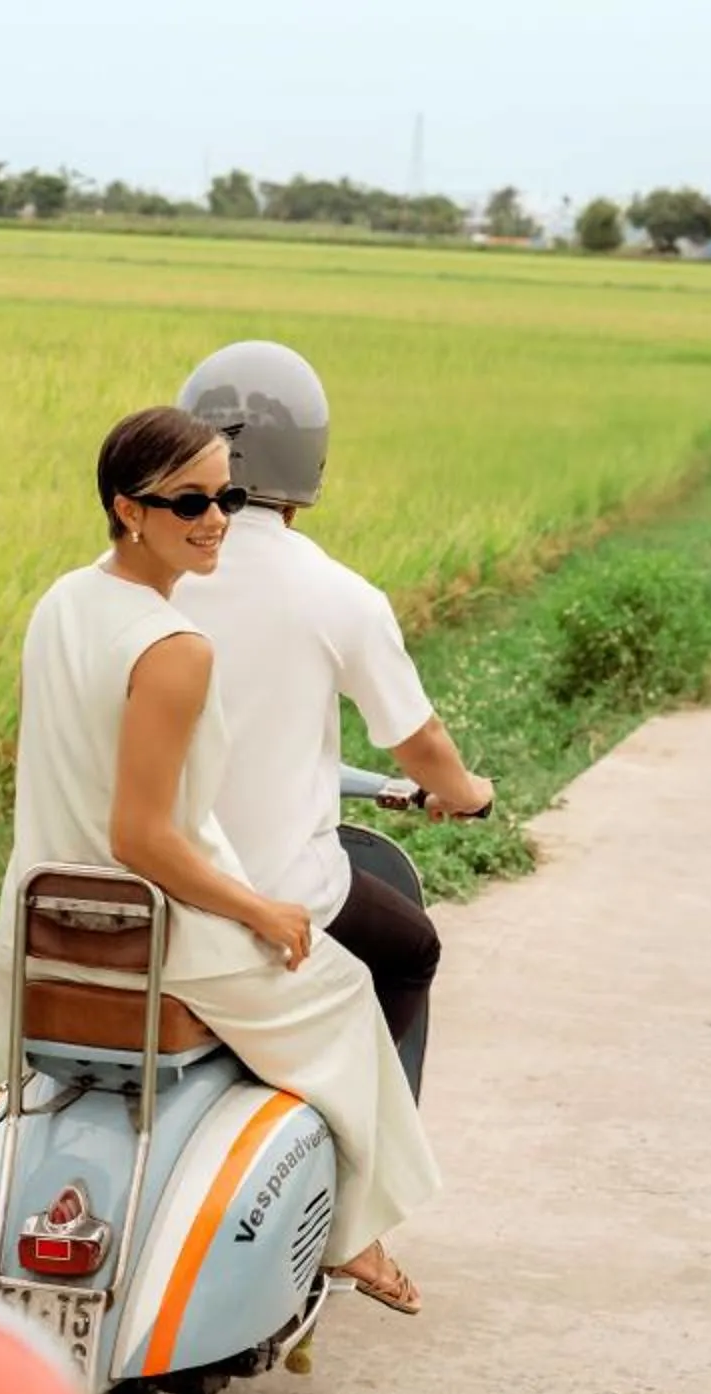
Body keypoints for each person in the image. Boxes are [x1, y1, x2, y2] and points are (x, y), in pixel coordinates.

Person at [0, 405, 435, 1313]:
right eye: (189, 502)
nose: (217, 519)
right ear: (128, 509)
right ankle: (353, 1238)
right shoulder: (175, 649)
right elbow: (142, 840)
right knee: (344, 992)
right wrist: (259, 909)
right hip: (155, 932)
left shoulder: (61, 603)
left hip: (40, 926)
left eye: (227, 494)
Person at [171, 341, 495, 1056]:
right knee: (412, 952)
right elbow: (422, 743)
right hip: (279, 890)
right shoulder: (338, 594)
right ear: (309, 459)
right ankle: (355, 1114)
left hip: (139, 890)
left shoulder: (139, 579)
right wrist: (466, 793)